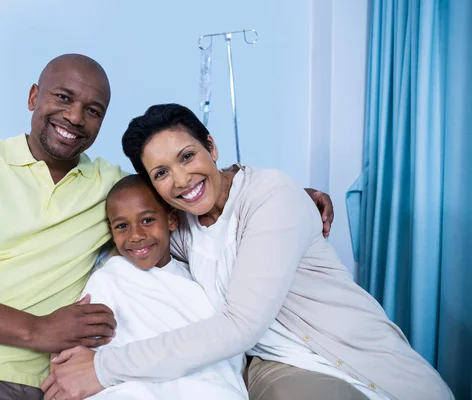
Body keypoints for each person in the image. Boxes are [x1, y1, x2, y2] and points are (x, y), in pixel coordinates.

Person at [0, 55, 332, 399]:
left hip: (22, 384)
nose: (75, 117)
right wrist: (38, 330)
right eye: (63, 98)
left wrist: (274, 193)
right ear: (34, 97)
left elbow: (177, 187)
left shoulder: (107, 188)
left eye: (93, 110)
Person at [47, 104, 454, 400]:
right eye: (162, 173)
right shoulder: (184, 225)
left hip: (360, 360)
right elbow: (136, 234)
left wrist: (103, 368)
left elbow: (238, 325)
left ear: (212, 146)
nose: (182, 179)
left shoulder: (271, 194)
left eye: (187, 156)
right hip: (276, 368)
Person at [43, 174, 248, 400]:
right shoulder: (109, 278)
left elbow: (222, 349)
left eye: (147, 220)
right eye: (122, 226)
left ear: (171, 219)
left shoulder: (198, 279)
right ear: (111, 231)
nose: (136, 236)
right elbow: (75, 355)